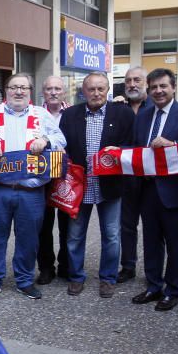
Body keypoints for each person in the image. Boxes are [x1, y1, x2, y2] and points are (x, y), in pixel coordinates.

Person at [0, 73, 66, 300]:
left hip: (31, 191)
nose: (19, 92)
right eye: (14, 87)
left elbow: (61, 139)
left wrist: (47, 141)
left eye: (23, 87)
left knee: (28, 239)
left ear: (30, 91)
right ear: (6, 91)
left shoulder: (41, 116)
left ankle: (24, 280)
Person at [58, 71, 135, 298]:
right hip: (79, 186)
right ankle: (76, 277)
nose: (96, 93)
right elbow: (64, 147)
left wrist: (119, 152)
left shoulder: (123, 113)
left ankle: (108, 278)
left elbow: (132, 146)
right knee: (74, 235)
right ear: (83, 91)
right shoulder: (70, 114)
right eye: (91, 89)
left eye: (101, 88)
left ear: (108, 90)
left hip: (110, 186)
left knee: (111, 235)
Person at [128, 69, 178, 311]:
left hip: (174, 191)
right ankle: (153, 285)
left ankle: (173, 290)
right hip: (147, 189)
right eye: (154, 87)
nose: (158, 91)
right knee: (151, 241)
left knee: (175, 243)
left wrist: (174, 146)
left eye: (163, 86)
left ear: (173, 87)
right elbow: (136, 148)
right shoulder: (143, 116)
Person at [36, 75, 71, 285]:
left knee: (68, 225)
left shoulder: (75, 113)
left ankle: (67, 265)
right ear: (43, 91)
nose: (53, 92)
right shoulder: (34, 114)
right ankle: (46, 268)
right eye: (49, 89)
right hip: (43, 176)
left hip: (67, 176)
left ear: (64, 91)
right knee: (44, 225)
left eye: (58, 88)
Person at [118, 66, 150, 284]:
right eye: (128, 81)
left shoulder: (155, 106)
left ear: (146, 82)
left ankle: (152, 269)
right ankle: (128, 266)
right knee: (127, 225)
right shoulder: (118, 107)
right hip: (126, 177)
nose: (132, 84)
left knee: (152, 226)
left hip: (150, 177)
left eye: (137, 80)